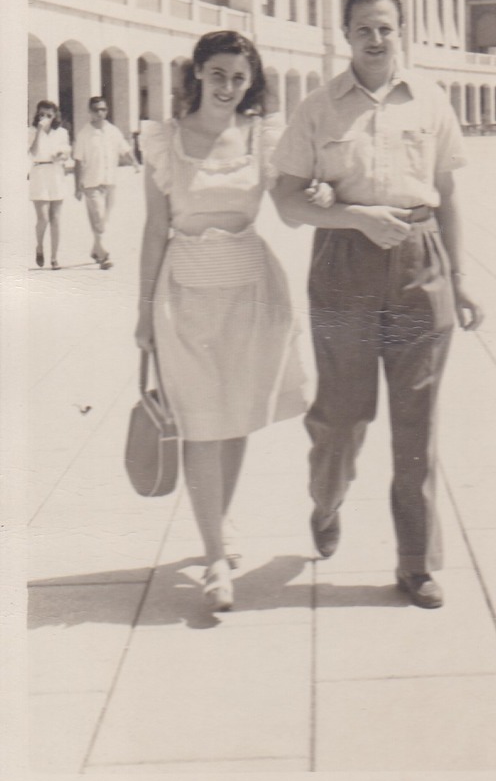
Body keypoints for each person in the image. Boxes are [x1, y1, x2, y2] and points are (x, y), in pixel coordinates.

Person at [272, 0, 483, 610]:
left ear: (402, 33)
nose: (375, 39)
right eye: (363, 28)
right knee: (342, 418)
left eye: (385, 28)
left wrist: (460, 277)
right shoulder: (317, 109)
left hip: (422, 264)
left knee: (416, 425)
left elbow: (447, 191)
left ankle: (414, 563)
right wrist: (357, 219)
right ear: (345, 34)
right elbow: (284, 202)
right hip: (345, 267)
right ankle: (326, 499)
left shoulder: (431, 102)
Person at [134, 30, 306, 612]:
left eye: (239, 77)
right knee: (200, 421)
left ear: (250, 81)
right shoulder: (165, 140)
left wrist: (327, 190)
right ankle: (213, 558)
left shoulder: (262, 137)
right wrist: (141, 313)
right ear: (198, 75)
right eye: (218, 74)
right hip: (182, 294)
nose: (229, 87)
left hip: (252, 292)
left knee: (233, 419)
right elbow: (156, 228)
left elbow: (289, 195)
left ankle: (220, 524)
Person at [73, 96, 139, 269]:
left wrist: (134, 162)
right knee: (99, 219)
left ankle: (96, 250)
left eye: (103, 109)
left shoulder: (113, 131)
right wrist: (77, 186)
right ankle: (104, 256)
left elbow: (124, 148)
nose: (100, 113)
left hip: (110, 182)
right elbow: (78, 161)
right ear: (90, 111)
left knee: (103, 221)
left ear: (107, 110)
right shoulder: (84, 134)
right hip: (92, 183)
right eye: (96, 110)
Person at [28, 101, 72, 270]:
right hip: (39, 173)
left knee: (56, 218)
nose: (45, 118)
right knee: (43, 217)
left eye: (49, 115)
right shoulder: (31, 131)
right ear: (37, 114)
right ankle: (39, 246)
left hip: (56, 173)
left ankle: (54, 258)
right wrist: (39, 130)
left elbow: (66, 152)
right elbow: (32, 152)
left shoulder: (61, 132)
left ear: (55, 116)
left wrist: (61, 155)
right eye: (42, 114)